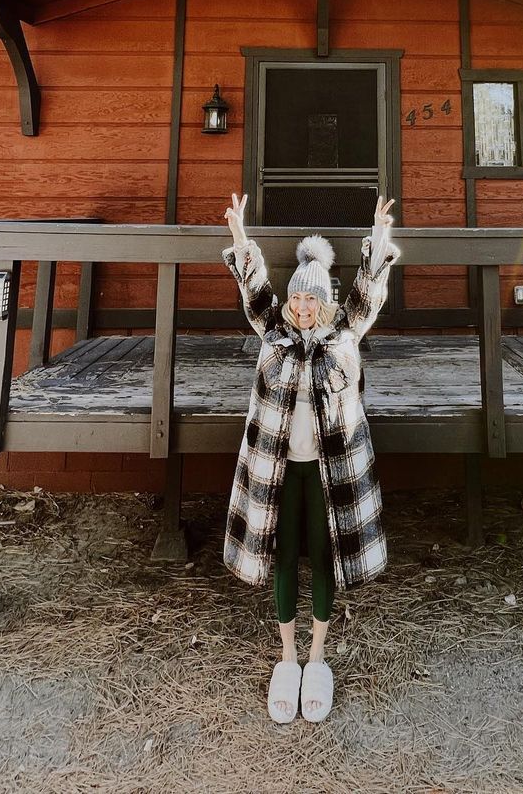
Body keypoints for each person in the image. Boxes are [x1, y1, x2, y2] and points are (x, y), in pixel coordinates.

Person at [221, 192, 400, 724]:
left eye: (311, 301)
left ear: (324, 302)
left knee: (323, 560)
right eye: (296, 299)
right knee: (283, 557)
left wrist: (379, 236)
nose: (301, 308)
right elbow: (253, 292)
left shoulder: (346, 333)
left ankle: (318, 657)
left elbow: (369, 293)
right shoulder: (273, 335)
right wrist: (239, 236)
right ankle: (288, 658)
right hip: (277, 470)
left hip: (330, 473)